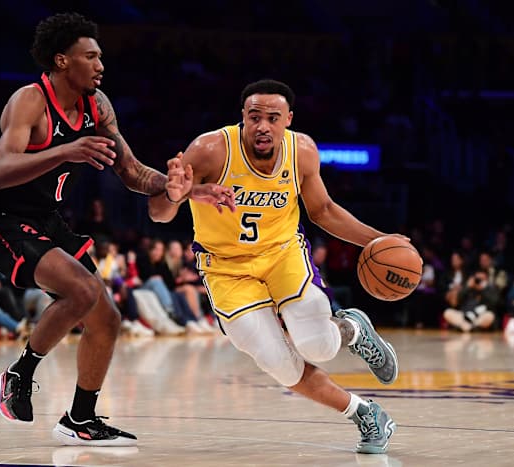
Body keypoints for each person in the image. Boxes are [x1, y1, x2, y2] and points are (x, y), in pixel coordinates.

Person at [0, 12, 233, 447]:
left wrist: (181, 188)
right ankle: (20, 373)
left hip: (47, 220)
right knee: (84, 291)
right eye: (90, 56)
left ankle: (80, 419)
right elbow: (0, 171)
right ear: (61, 60)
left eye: (100, 56)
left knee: (107, 319)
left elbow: (130, 172)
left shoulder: (98, 106)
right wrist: (66, 150)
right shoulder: (29, 101)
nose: (100, 64)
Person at [150, 79, 401, 454]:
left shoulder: (301, 151)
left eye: (272, 117)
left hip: (282, 255)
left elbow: (324, 211)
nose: (263, 125)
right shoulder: (209, 150)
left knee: (318, 346)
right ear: (243, 119)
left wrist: (380, 241)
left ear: (288, 120)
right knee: (280, 366)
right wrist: (172, 196)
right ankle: (364, 412)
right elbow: (159, 213)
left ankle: (352, 330)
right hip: (225, 268)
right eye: (254, 117)